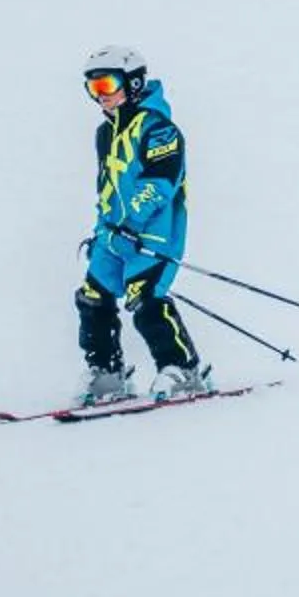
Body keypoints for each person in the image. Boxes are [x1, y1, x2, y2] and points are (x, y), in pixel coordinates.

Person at [74, 45, 213, 404]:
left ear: (133, 83)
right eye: (93, 87)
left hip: (153, 235)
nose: (100, 95)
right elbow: (107, 190)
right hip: (113, 237)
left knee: (145, 298)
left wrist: (129, 222)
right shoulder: (105, 134)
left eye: (107, 84)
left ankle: (183, 369)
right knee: (92, 297)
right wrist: (103, 231)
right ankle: (107, 373)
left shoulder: (159, 130)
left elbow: (160, 184)